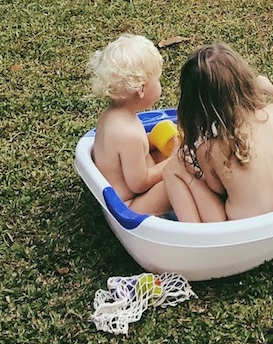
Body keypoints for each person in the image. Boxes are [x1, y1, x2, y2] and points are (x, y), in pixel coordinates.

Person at [87, 33, 225, 223]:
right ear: (141, 89)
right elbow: (139, 183)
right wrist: (173, 159)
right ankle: (199, 223)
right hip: (132, 206)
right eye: (158, 80)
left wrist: (158, 138)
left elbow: (130, 155)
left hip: (128, 193)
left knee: (175, 159)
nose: (160, 84)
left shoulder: (112, 117)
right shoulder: (129, 135)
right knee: (181, 175)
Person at [175, 43, 273, 220]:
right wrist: (268, 87)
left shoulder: (209, 150)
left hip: (242, 233)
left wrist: (189, 163)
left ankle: (194, 237)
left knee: (175, 167)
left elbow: (218, 191)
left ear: (196, 106)